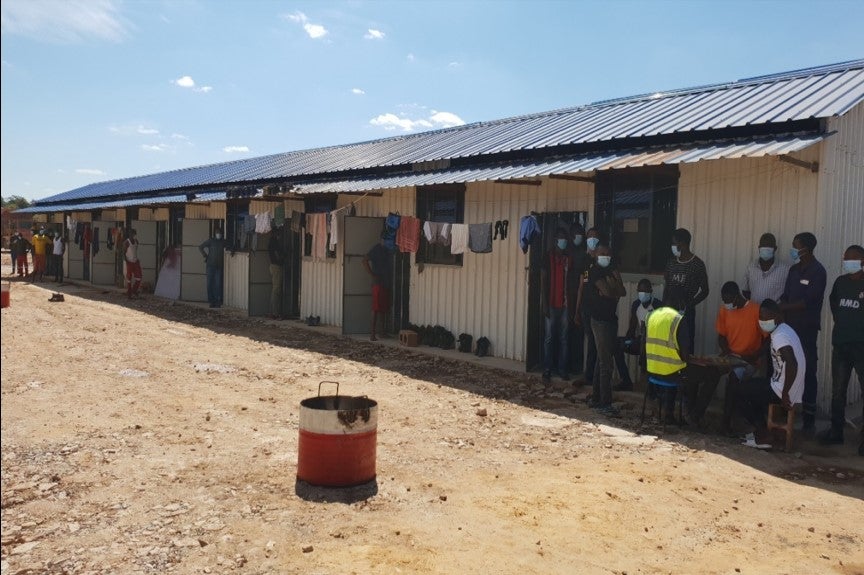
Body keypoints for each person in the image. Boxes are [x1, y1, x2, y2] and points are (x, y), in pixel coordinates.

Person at [735, 299, 805, 449]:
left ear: (778, 316)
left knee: (739, 391)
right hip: (784, 385)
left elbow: (792, 363)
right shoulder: (784, 330)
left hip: (783, 389)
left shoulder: (780, 336)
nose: (763, 321)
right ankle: (764, 432)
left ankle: (764, 435)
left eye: (767, 318)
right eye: (761, 317)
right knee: (753, 389)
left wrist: (785, 393)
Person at [817, 244, 864, 456]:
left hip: (861, 346)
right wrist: (840, 319)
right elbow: (833, 301)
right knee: (838, 392)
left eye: (851, 259)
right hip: (841, 344)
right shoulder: (841, 282)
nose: (847, 262)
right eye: (845, 258)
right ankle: (836, 432)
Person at [779, 231, 827, 431]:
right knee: (786, 367)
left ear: (806, 248)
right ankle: (784, 411)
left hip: (806, 329)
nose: (793, 249)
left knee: (808, 371)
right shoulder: (794, 270)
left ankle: (808, 420)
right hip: (790, 328)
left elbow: (807, 302)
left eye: (795, 245)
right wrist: (780, 307)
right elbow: (786, 295)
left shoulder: (818, 271)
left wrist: (783, 308)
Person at [710, 281, 767, 432]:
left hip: (748, 360)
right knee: (708, 372)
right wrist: (725, 349)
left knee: (734, 378)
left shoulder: (755, 310)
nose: (726, 304)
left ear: (736, 297)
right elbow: (721, 336)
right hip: (731, 355)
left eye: (728, 300)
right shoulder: (724, 310)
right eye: (724, 300)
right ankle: (696, 414)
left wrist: (755, 355)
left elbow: (767, 339)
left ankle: (726, 423)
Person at [584, 243, 626, 417]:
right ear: (595, 254)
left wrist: (613, 287)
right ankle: (605, 403)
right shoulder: (593, 272)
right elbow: (609, 292)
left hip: (610, 319)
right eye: (602, 254)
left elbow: (621, 291)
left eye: (608, 254)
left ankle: (596, 398)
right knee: (606, 364)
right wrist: (612, 287)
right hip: (599, 320)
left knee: (601, 362)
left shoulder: (610, 270)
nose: (605, 257)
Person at [644, 285, 691, 424]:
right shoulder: (678, 319)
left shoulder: (651, 315)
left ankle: (660, 409)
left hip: (652, 371)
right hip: (670, 374)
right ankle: (683, 416)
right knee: (692, 377)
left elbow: (643, 345)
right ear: (681, 301)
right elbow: (685, 353)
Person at [614, 278, 664, 391]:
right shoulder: (636, 304)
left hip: (654, 343)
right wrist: (626, 340)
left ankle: (648, 384)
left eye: (645, 291)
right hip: (639, 340)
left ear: (651, 291)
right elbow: (632, 327)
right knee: (616, 344)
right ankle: (625, 380)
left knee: (646, 344)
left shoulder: (658, 305)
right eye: (640, 291)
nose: (643, 294)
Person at [665, 228, 710, 353]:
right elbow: (667, 287)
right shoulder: (671, 263)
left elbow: (705, 290)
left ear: (682, 244)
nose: (672, 246)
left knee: (685, 348)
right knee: (669, 348)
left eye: (674, 243)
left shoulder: (697, 264)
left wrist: (690, 304)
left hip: (686, 314)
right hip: (669, 312)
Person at [540, 228, 574, 381]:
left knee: (564, 338)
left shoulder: (568, 258)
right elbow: (543, 280)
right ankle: (547, 369)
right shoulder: (548, 257)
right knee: (549, 337)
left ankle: (562, 369)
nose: (563, 241)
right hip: (551, 303)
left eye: (564, 239)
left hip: (565, 304)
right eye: (560, 239)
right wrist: (545, 304)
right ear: (555, 240)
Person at [574, 227, 602, 386]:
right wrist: (577, 310)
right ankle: (590, 375)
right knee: (590, 341)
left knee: (597, 343)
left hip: (599, 308)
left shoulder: (602, 258)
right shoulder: (584, 260)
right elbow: (580, 286)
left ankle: (593, 376)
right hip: (586, 307)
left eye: (595, 237)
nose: (592, 240)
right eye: (589, 237)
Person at [568, 223, 591, 377]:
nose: (579, 237)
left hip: (581, 298)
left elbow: (585, 281)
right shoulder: (567, 253)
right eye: (576, 234)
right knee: (567, 333)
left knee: (579, 333)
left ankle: (578, 366)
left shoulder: (585, 255)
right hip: (567, 297)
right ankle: (567, 365)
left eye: (580, 234)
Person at [742, 233, 790, 304]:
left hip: (774, 313)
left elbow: (788, 294)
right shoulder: (751, 267)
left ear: (775, 248)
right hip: (754, 311)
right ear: (759, 248)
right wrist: (755, 304)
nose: (766, 249)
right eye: (763, 246)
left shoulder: (785, 269)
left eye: (769, 247)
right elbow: (745, 290)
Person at [363, 231, 393, 341]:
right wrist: (372, 274)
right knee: (375, 309)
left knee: (383, 309)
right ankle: (372, 334)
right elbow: (364, 260)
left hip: (386, 282)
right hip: (378, 282)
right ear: (382, 239)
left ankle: (382, 332)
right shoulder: (376, 249)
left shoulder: (388, 250)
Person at [199, 229, 225, 308]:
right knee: (209, 284)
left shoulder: (223, 242)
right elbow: (200, 247)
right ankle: (211, 301)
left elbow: (230, 246)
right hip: (210, 265)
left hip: (219, 266)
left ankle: (218, 301)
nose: (218, 235)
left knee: (218, 284)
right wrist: (205, 256)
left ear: (222, 234)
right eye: (217, 233)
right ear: (215, 234)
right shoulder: (211, 241)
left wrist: (232, 250)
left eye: (220, 233)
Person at [268, 226, 285, 319]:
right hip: (276, 266)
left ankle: (273, 312)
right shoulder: (274, 242)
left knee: (275, 290)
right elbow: (277, 255)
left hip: (273, 266)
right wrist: (283, 256)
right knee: (276, 290)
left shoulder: (272, 242)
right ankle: (275, 312)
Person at [123, 229, 143, 299]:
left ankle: (134, 290)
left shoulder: (136, 241)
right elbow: (123, 253)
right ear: (130, 234)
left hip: (135, 261)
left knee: (139, 277)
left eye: (135, 234)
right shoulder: (126, 242)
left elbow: (135, 251)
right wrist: (126, 261)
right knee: (129, 278)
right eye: (133, 234)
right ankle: (129, 293)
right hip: (129, 262)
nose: (134, 236)